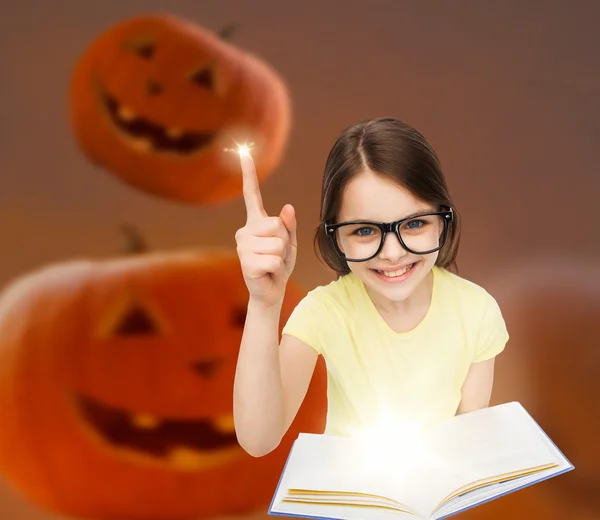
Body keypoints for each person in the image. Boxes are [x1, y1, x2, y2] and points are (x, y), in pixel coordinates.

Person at [233, 117, 509, 457]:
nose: (392, 253)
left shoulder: (477, 311)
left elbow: (467, 443)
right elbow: (259, 440)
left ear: (442, 222)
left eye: (415, 223)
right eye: (365, 231)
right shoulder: (324, 312)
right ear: (338, 239)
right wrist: (263, 304)